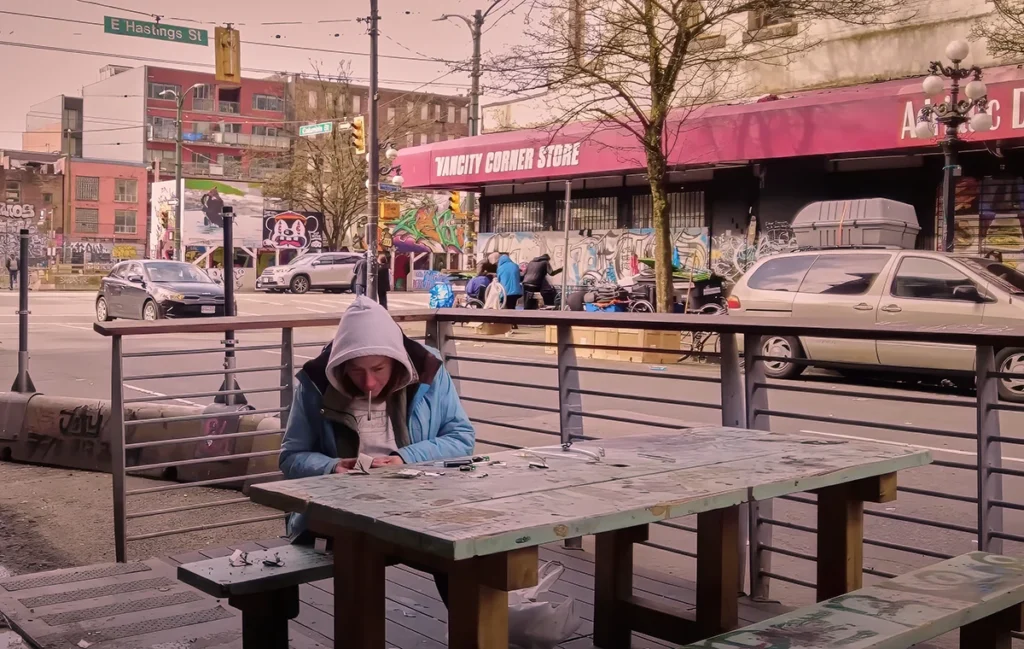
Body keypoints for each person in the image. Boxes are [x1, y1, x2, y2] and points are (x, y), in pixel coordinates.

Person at [279, 296, 475, 605]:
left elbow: (461, 438)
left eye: (378, 368)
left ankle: (474, 633)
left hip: (421, 507)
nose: (369, 383)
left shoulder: (429, 370)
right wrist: (332, 466)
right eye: (356, 371)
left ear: (396, 358)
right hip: (343, 512)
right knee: (358, 551)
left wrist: (405, 458)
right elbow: (291, 457)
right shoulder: (315, 383)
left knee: (465, 556)